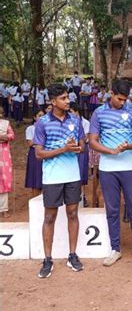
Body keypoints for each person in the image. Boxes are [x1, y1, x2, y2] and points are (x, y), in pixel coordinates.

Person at [89, 79, 132, 266]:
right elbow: (92, 141)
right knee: (113, 210)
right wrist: (111, 151)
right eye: (120, 99)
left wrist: (128, 147)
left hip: (130, 167)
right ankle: (115, 249)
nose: (123, 102)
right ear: (111, 93)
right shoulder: (98, 113)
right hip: (108, 169)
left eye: (125, 99)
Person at [33, 83, 85, 278]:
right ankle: (47, 259)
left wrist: (76, 148)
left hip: (72, 175)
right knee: (50, 217)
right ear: (53, 102)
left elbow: (82, 146)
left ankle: (72, 255)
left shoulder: (76, 120)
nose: (68, 101)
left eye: (67, 97)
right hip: (53, 177)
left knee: (73, 213)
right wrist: (63, 149)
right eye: (63, 98)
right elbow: (39, 153)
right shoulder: (43, 122)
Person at [69, 105, 90, 207]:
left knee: (81, 173)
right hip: (71, 150)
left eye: (73, 112)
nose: (71, 115)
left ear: (77, 112)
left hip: (81, 150)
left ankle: (83, 195)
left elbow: (86, 138)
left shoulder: (86, 123)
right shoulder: (69, 122)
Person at [25, 109, 44, 198]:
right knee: (35, 177)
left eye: (43, 115)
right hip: (35, 153)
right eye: (39, 115)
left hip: (46, 153)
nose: (41, 118)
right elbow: (30, 143)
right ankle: (35, 199)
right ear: (34, 117)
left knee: (45, 176)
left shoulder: (47, 127)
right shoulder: (31, 128)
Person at [0, 107, 14, 218]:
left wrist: (3, 137)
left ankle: (4, 209)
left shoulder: (5, 124)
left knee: (4, 181)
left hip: (3, 156)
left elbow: (11, 135)